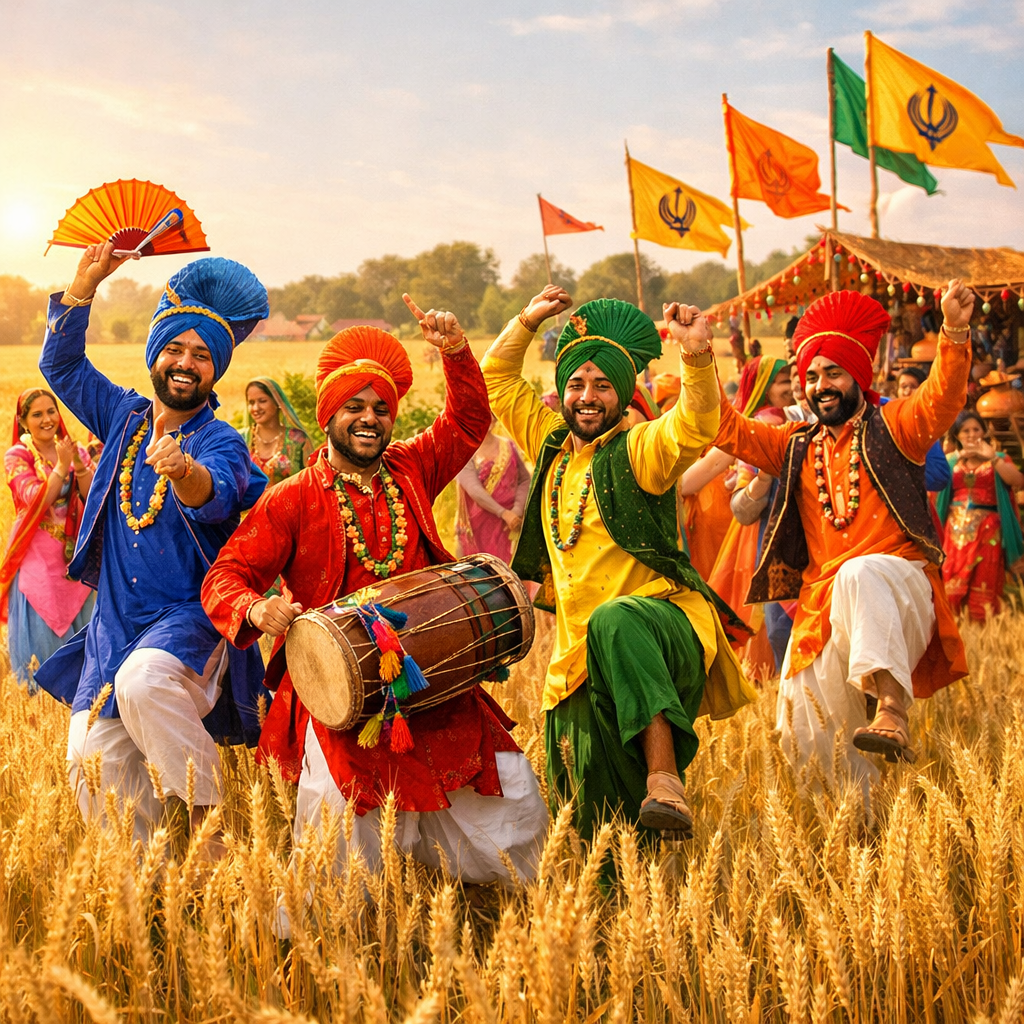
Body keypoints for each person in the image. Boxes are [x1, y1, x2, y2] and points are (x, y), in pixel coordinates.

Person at [201, 299, 548, 882]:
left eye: (381, 409)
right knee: (341, 857)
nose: (370, 418)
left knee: (513, 798)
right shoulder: (292, 497)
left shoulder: (411, 468)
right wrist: (257, 607)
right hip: (345, 700)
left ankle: (510, 910)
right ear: (330, 416)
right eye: (355, 407)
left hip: (432, 680)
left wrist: (457, 353)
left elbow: (466, 420)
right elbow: (224, 577)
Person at [482, 286, 754, 842]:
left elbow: (696, 426)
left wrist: (697, 357)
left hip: (657, 628)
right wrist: (528, 319)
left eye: (603, 386)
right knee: (592, 825)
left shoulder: (640, 450)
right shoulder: (552, 443)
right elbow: (496, 378)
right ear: (561, 392)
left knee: (616, 618)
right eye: (576, 384)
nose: (587, 396)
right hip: (576, 664)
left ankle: (664, 776)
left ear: (623, 394)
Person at [36, 244, 269, 846]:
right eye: (174, 348)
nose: (185, 362)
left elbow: (216, 494)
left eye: (201, 354)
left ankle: (207, 826)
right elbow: (62, 368)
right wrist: (83, 288)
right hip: (115, 624)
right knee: (90, 757)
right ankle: (157, 891)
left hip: (190, 620)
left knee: (143, 681)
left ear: (216, 370)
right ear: (154, 356)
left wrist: (183, 469)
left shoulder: (222, 440)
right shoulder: (122, 416)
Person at [712, 283, 975, 796]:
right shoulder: (793, 445)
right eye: (810, 375)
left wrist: (954, 331)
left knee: (861, 571)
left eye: (833, 371)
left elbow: (943, 399)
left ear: (858, 375)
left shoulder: (897, 423)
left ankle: (894, 708)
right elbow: (725, 430)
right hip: (821, 612)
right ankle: (863, 825)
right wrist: (697, 352)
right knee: (802, 733)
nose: (820, 385)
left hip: (898, 590)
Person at [2, 389, 95, 690]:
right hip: (35, 556)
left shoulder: (72, 450)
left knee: (86, 624)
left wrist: (78, 466)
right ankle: (43, 698)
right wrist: (59, 467)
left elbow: (93, 495)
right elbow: (33, 500)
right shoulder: (18, 455)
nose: (47, 420)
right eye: (37, 415)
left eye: (51, 411)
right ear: (24, 422)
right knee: (44, 627)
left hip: (73, 556)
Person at [707, 357, 794, 677]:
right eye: (783, 381)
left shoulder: (809, 421)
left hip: (809, 540)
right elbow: (742, 506)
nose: (792, 387)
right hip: (770, 542)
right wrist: (765, 477)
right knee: (778, 628)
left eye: (794, 378)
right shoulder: (759, 428)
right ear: (763, 388)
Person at [937, 410, 1024, 621]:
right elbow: (934, 486)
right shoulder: (950, 461)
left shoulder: (999, 458)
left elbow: (1018, 481)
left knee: (985, 576)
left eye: (976, 429)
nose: (971, 434)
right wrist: (956, 457)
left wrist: (993, 458)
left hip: (988, 531)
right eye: (965, 430)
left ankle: (985, 628)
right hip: (955, 532)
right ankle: (956, 629)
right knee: (952, 574)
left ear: (984, 433)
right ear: (957, 435)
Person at [454, 414, 531, 564]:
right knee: (475, 577)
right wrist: (503, 513)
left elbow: (525, 480)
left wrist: (516, 510)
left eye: (490, 415)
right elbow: (474, 490)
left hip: (506, 528)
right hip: (475, 530)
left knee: (506, 576)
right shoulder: (463, 450)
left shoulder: (508, 446)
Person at [242, 377, 314, 487]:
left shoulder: (298, 440)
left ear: (277, 402)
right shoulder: (240, 439)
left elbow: (311, 483)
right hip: (248, 505)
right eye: (251, 402)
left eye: (262, 401)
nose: (255, 408)